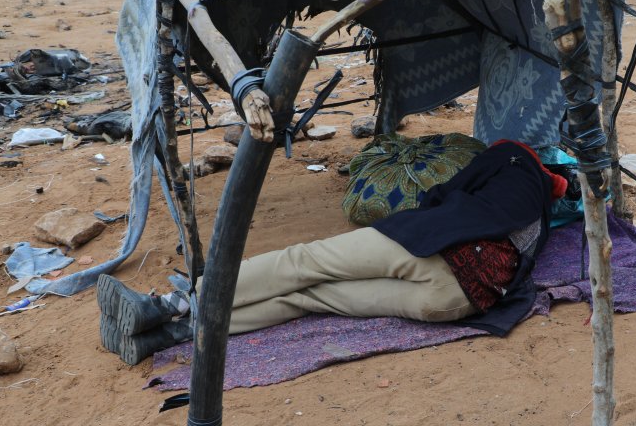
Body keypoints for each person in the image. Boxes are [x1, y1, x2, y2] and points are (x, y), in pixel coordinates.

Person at [97, 140, 568, 365]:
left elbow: (441, 197)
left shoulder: (513, 159)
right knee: (310, 297)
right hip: (455, 302)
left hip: (437, 252)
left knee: (304, 263)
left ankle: (165, 306)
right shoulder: (541, 217)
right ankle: (170, 335)